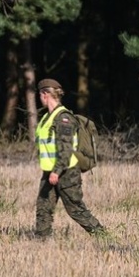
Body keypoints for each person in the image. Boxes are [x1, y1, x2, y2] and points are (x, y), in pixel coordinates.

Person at [33, 78, 106, 238]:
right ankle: (40, 241)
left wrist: (57, 172)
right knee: (43, 207)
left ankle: (103, 236)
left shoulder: (63, 118)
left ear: (45, 94)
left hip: (66, 172)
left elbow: (65, 150)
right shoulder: (46, 118)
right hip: (50, 171)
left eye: (40, 95)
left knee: (75, 209)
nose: (39, 98)